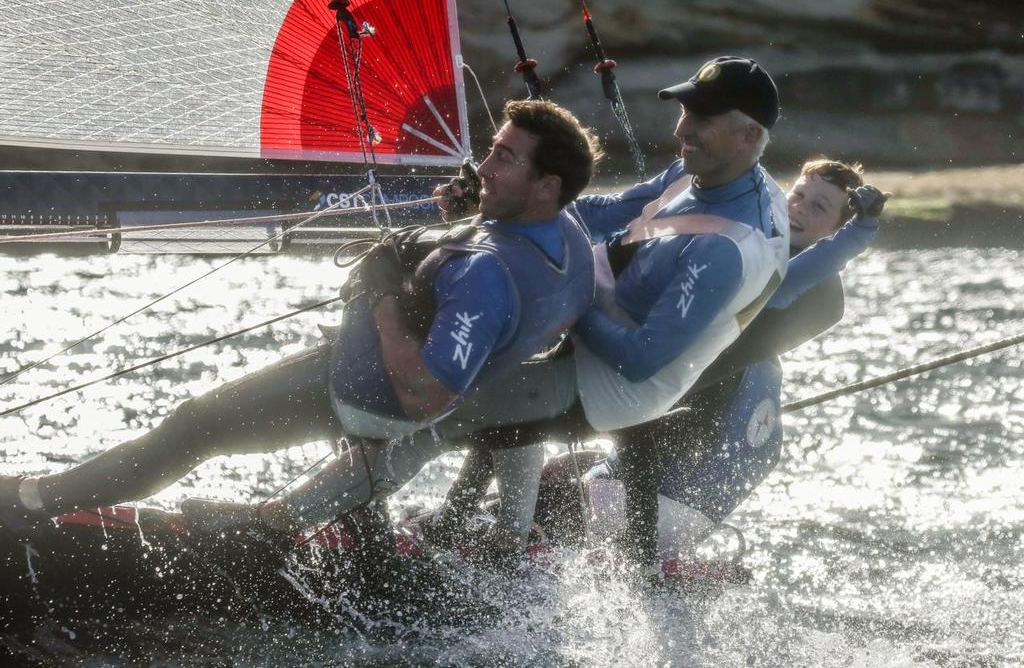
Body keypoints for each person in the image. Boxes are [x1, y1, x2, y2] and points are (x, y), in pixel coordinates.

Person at [265, 56, 794, 556]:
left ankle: (277, 524)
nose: (681, 130)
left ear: (750, 135)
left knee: (437, 411)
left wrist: (569, 296)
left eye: (701, 119)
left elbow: (640, 359)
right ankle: (509, 538)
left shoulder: (724, 249)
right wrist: (512, 198)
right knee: (489, 358)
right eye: (684, 111)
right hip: (592, 323)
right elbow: (614, 209)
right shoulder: (712, 174)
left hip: (610, 384)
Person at [0, 99, 600, 530]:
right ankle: (350, 546)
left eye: (504, 159)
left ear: (546, 186)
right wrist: (475, 212)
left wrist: (383, 294)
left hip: (366, 394)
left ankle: (33, 499)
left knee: (194, 426)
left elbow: (422, 395)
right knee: (219, 429)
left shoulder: (486, 275)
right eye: (492, 150)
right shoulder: (571, 231)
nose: (484, 168)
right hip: (436, 382)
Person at [528, 159, 890, 559]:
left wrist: (860, 230)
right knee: (556, 465)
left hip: (683, 470)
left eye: (819, 207)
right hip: (674, 457)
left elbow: (807, 270)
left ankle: (635, 557)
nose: (799, 208)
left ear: (833, 230)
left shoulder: (780, 275)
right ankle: (500, 526)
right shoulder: (745, 240)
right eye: (798, 195)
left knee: (568, 429)